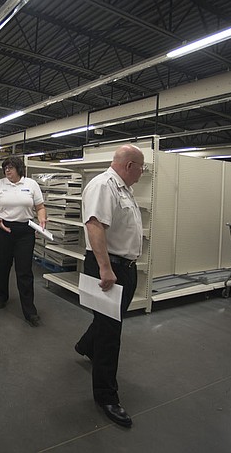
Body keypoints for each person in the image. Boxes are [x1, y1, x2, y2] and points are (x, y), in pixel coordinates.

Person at [74, 144, 146, 428]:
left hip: (123, 267)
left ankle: (84, 345)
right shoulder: (104, 185)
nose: (142, 173)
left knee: (109, 321)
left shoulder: (123, 189)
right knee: (109, 334)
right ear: (129, 166)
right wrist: (105, 268)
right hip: (109, 266)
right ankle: (106, 396)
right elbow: (94, 226)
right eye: (141, 167)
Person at [0, 157, 47, 327]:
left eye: (11, 168)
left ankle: (30, 311)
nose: (7, 171)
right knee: (2, 265)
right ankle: (1, 297)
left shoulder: (31, 184)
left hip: (25, 232)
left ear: (19, 169)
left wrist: (42, 220)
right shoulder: (0, 184)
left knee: (24, 271)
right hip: (3, 229)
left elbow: (40, 207)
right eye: (5, 168)